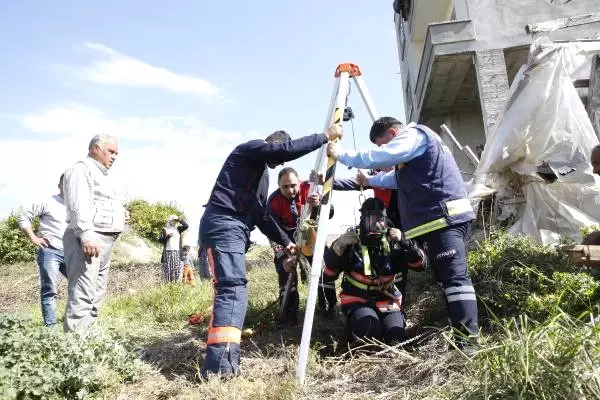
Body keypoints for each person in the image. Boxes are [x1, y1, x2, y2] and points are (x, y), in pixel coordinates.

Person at [199, 124, 343, 377]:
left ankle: (225, 362)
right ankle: (220, 368)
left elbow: (261, 216)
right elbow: (283, 152)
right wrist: (324, 137)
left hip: (236, 227)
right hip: (225, 224)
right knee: (232, 290)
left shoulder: (259, 176)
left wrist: (285, 241)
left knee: (235, 290)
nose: (277, 163)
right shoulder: (250, 149)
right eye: (277, 155)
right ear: (272, 144)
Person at [327, 116, 479, 349]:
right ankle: (462, 340)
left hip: (445, 219)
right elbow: (395, 179)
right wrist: (369, 181)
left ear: (392, 134)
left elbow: (383, 157)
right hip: (438, 222)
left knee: (455, 282)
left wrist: (343, 154)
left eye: (383, 144)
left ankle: (468, 344)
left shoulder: (413, 135)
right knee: (449, 282)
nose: (383, 150)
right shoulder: (416, 154)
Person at [316, 197, 426, 344]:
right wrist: (338, 248)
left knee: (396, 338)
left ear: (386, 220)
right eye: (370, 219)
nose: (375, 224)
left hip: (387, 299)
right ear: (362, 220)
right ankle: (353, 327)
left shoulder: (393, 241)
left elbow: (420, 265)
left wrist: (405, 242)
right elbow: (327, 274)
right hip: (357, 300)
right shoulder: (350, 241)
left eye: (380, 219)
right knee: (371, 335)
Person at [62, 133, 128, 332]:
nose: (114, 156)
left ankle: (86, 337)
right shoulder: (81, 169)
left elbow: (98, 202)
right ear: (95, 149)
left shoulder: (103, 175)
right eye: (111, 151)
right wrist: (86, 234)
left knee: (96, 293)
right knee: (83, 292)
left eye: (116, 153)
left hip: (104, 240)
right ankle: (74, 347)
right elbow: (78, 204)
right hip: (90, 239)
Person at [267, 166, 331, 326]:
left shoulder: (310, 189)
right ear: (278, 185)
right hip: (286, 240)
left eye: (293, 185)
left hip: (310, 236)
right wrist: (282, 255)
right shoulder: (273, 201)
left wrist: (320, 203)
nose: (290, 190)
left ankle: (328, 309)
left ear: (299, 182)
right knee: (285, 270)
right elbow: (272, 231)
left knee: (324, 270)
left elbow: (329, 213)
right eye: (285, 187)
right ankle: (289, 316)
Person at [17, 174, 68, 327]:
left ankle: (72, 322)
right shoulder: (48, 201)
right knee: (50, 290)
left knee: (79, 286)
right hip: (50, 251)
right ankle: (51, 329)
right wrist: (33, 238)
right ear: (59, 185)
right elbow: (24, 217)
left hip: (72, 252)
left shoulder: (77, 205)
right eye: (65, 184)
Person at [158, 215, 189, 282]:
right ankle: (168, 284)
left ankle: (175, 284)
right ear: (169, 221)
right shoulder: (164, 229)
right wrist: (167, 237)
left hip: (177, 252)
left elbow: (186, 226)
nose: (174, 222)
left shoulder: (178, 229)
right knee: (168, 269)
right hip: (168, 251)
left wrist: (179, 219)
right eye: (173, 220)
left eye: (175, 221)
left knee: (177, 269)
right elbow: (160, 240)